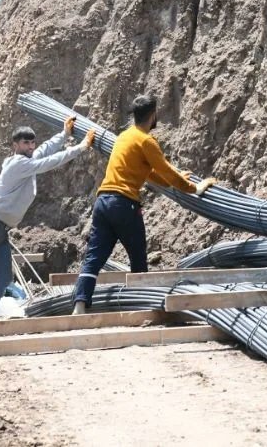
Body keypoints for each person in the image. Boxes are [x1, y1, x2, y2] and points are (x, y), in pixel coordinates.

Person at [0, 117, 96, 318]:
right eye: (25, 143)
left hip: (1, 230)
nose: (30, 146)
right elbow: (49, 161)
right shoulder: (18, 164)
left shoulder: (28, 159)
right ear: (15, 145)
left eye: (32, 142)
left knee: (4, 278)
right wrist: (81, 147)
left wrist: (65, 134)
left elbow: (46, 149)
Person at [71, 94, 216, 314]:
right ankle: (142, 307)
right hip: (123, 204)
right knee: (138, 257)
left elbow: (150, 174)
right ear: (153, 115)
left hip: (102, 202)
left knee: (94, 257)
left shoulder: (124, 137)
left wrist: (176, 177)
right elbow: (165, 170)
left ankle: (79, 305)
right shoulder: (147, 140)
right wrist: (194, 187)